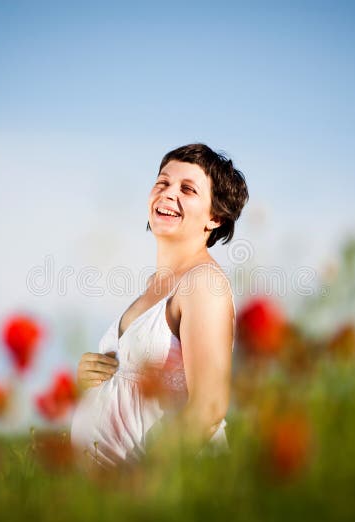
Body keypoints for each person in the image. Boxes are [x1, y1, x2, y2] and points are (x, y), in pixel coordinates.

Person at [70, 143, 249, 470]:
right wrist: (96, 374)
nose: (168, 194)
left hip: (168, 488)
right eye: (162, 183)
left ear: (215, 217)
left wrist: (148, 478)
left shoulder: (203, 284)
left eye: (188, 189)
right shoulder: (154, 286)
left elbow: (208, 408)